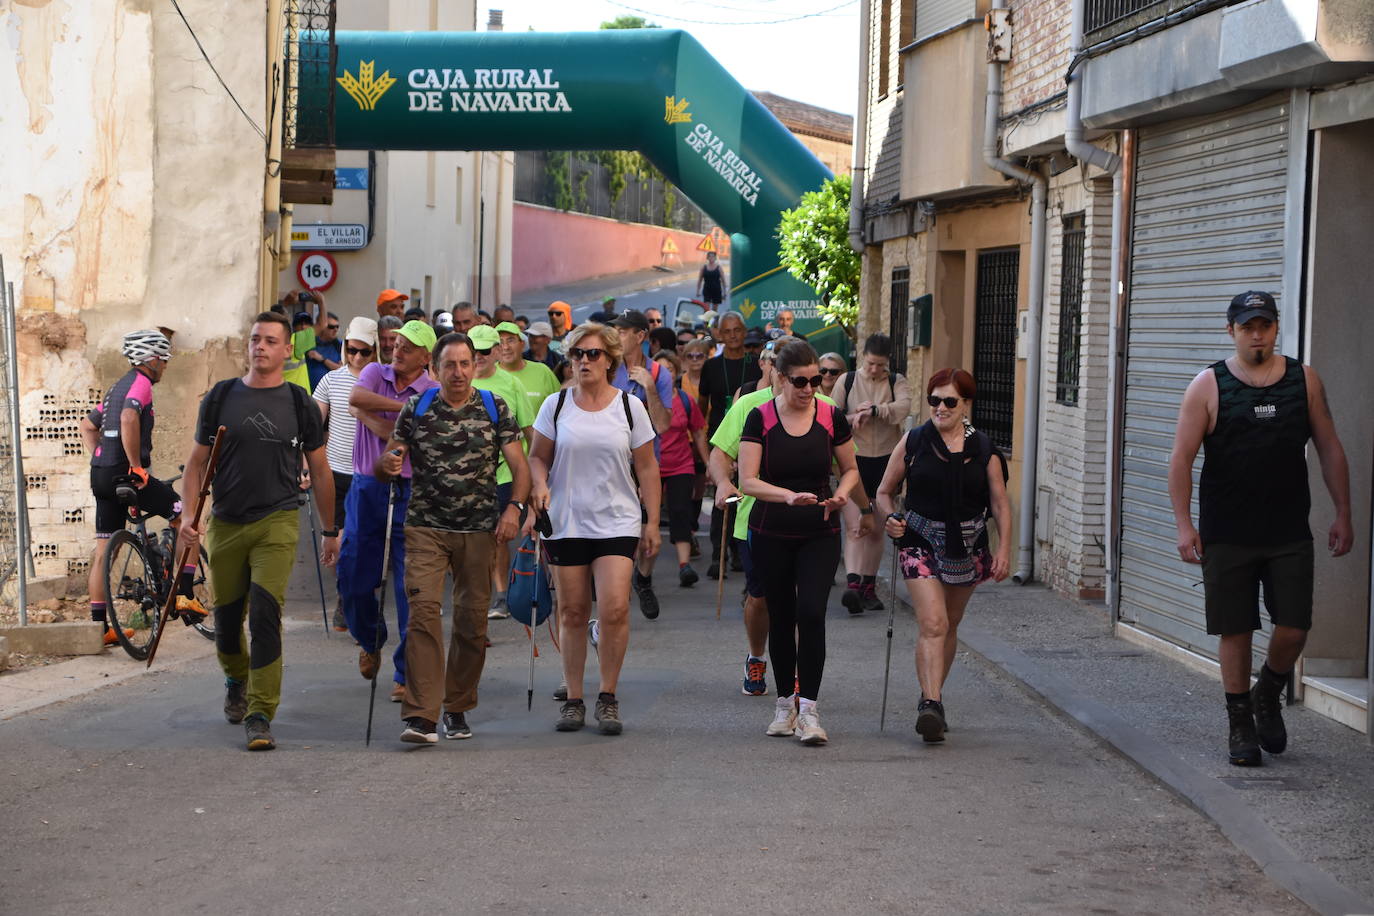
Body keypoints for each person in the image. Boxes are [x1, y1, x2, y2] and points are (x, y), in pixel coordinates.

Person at [1168, 290, 1352, 767]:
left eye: (1264, 325)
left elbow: (1330, 446)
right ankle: (1240, 723)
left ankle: (1267, 691)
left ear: (1274, 329)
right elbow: (1181, 461)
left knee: (1294, 628)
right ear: (1231, 330)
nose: (1257, 334)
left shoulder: (1303, 380)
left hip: (1288, 529)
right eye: (1247, 326)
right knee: (1236, 630)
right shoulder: (1207, 385)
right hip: (1227, 532)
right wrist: (1185, 526)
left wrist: (1344, 512)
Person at [181, 312, 336, 751]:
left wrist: (331, 530)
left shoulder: (299, 403)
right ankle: (236, 678)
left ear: (288, 349)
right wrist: (190, 517)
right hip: (227, 522)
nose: (260, 346)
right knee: (228, 625)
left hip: (278, 519)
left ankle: (260, 711)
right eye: (255, 339)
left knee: (266, 614)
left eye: (270, 340)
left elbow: (321, 470)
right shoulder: (220, 397)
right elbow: (195, 464)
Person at [378, 331, 529, 743]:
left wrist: (514, 508)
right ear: (435, 369)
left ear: (474, 366)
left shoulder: (493, 407)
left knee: (470, 622)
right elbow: (389, 457)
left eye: (466, 363)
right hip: (426, 526)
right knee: (424, 613)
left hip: (479, 529)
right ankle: (422, 716)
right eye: (450, 365)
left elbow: (520, 465)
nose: (459, 372)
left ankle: (457, 705)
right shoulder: (418, 407)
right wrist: (387, 464)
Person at [709, 340, 867, 696]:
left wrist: (863, 508)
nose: (809, 388)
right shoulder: (750, 407)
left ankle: (799, 678)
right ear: (776, 373)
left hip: (813, 524)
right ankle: (756, 656)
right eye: (799, 381)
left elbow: (847, 467)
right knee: (763, 598)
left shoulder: (826, 410)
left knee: (807, 605)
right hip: (756, 518)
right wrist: (722, 483)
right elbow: (720, 455)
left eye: (814, 380)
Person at [529, 323, 660, 735]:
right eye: (576, 355)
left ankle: (607, 695)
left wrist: (651, 521)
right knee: (571, 611)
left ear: (610, 360)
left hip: (617, 519)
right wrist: (539, 485)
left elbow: (647, 466)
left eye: (592, 354)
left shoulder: (629, 407)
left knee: (615, 608)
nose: (584, 361)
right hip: (566, 521)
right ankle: (573, 698)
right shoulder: (555, 404)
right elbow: (537, 457)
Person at [876, 368, 1011, 744]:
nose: (940, 407)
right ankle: (930, 705)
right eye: (934, 400)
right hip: (919, 539)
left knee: (950, 623)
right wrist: (890, 520)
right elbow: (884, 492)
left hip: (967, 545)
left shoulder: (984, 450)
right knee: (933, 623)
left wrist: (1004, 548)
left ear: (966, 404)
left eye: (949, 401)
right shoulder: (914, 441)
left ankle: (932, 694)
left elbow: (1000, 503)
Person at [80, 329, 202, 646]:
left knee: (104, 551)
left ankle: (99, 630)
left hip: (101, 475)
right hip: (127, 475)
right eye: (163, 361)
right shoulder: (141, 384)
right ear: (152, 359)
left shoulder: (115, 388)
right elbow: (129, 418)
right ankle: (185, 595)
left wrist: (98, 457)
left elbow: (88, 425)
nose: (164, 368)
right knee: (184, 516)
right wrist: (134, 465)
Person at [340, 320, 439, 702]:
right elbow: (357, 399)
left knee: (409, 585)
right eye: (396, 343)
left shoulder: (433, 390)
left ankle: (404, 670)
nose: (397, 350)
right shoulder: (373, 371)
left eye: (408, 347)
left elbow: (390, 425)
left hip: (413, 490)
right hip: (368, 485)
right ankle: (370, 637)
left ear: (426, 357)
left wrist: (374, 420)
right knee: (353, 575)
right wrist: (404, 410)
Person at [834, 334, 913, 614]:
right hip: (854, 460)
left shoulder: (896, 382)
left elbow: (904, 408)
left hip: (887, 462)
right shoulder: (847, 380)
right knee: (856, 526)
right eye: (870, 363)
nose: (874, 370)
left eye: (880, 365)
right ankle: (853, 585)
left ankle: (868, 584)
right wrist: (851, 418)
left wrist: (877, 410)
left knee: (877, 529)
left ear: (888, 363)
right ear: (862, 356)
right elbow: (831, 415)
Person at [311, 316, 377, 631]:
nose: (357, 358)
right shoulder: (331, 381)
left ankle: (356, 600)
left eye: (365, 352)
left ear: (376, 351)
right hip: (334, 473)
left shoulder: (385, 381)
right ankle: (345, 599)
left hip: (369, 475)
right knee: (338, 541)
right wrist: (305, 466)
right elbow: (313, 426)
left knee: (361, 543)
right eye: (352, 350)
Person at [468, 324, 536, 619]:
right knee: (468, 539)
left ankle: (499, 595)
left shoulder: (510, 384)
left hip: (503, 475)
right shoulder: (457, 379)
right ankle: (472, 593)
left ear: (497, 352)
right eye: (474, 350)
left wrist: (535, 477)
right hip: (462, 477)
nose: (479, 356)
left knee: (497, 537)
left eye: (485, 350)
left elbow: (530, 432)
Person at [610, 309, 675, 619]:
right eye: (616, 331)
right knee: (617, 530)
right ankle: (615, 584)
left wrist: (649, 387)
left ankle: (643, 579)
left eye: (623, 332)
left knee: (650, 534)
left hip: (645, 462)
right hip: (612, 463)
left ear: (640, 336)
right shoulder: (607, 369)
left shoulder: (661, 374)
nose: (617, 336)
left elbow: (662, 426)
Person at [697, 312, 760, 577]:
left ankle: (738, 551)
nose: (733, 335)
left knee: (744, 495)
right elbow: (702, 406)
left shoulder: (756, 364)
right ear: (719, 335)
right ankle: (717, 555)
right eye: (728, 331)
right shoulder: (711, 366)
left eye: (738, 330)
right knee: (722, 497)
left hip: (751, 437)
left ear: (744, 332)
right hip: (721, 436)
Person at [652, 350, 707, 586]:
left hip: (680, 464)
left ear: (676, 373)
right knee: (646, 518)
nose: (665, 373)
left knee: (680, 512)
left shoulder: (685, 399)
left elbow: (698, 432)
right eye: (659, 369)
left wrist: (708, 464)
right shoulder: (643, 399)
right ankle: (640, 570)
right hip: (650, 466)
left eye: (669, 369)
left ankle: (684, 566)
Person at [496, 321, 561, 419]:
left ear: (522, 344)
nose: (505, 347)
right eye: (500, 342)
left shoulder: (543, 371)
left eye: (511, 340)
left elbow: (560, 406)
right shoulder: (486, 374)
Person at [305, 311, 343, 391]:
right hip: (309, 394)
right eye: (331, 327)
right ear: (322, 327)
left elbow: (342, 370)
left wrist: (322, 359)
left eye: (337, 327)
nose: (335, 330)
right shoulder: (309, 343)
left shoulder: (339, 345)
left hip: (331, 395)